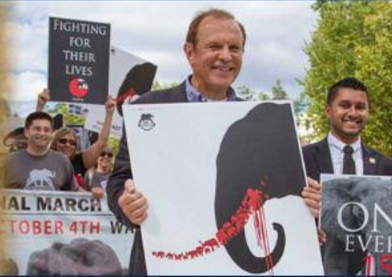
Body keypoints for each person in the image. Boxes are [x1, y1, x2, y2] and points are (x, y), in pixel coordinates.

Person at [107, 8, 245, 275]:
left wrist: (303, 199)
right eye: (215, 46)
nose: (226, 56)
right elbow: (119, 180)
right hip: (163, 262)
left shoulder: (261, 120)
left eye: (235, 48)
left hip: (233, 264)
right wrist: (125, 203)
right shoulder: (146, 109)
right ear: (190, 52)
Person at [301, 77, 392, 272]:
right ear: (328, 110)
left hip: (370, 264)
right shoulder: (302, 159)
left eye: (360, 107)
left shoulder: (386, 165)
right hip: (314, 263)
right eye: (344, 105)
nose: (353, 113)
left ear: (368, 112)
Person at [48, 95, 116, 186]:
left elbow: (101, 143)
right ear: (55, 142)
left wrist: (109, 114)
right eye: (63, 141)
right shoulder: (45, 159)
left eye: (72, 143)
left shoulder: (80, 161)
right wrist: (40, 106)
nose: (68, 145)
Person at [3, 111, 78, 191]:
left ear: (51, 133)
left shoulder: (63, 161)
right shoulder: (9, 161)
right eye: (37, 129)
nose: (42, 133)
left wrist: (92, 194)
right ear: (26, 132)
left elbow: (75, 192)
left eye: (46, 130)